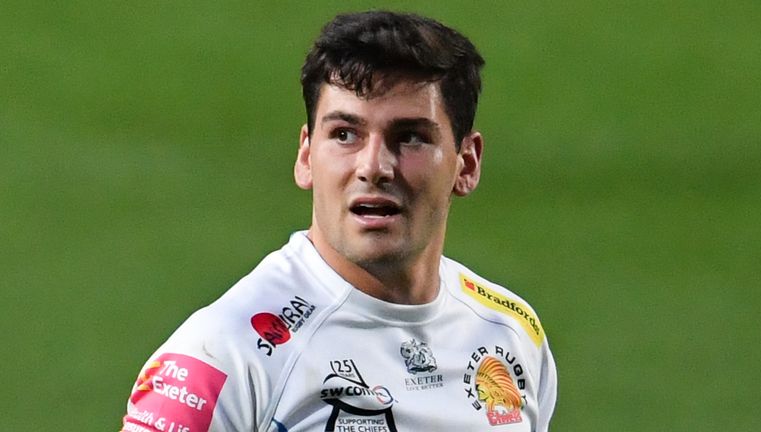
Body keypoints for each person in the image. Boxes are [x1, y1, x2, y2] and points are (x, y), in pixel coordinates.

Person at [121, 10, 557, 432]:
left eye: (409, 137)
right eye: (345, 134)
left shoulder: (511, 332)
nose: (374, 167)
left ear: (466, 163)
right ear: (307, 156)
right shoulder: (225, 351)